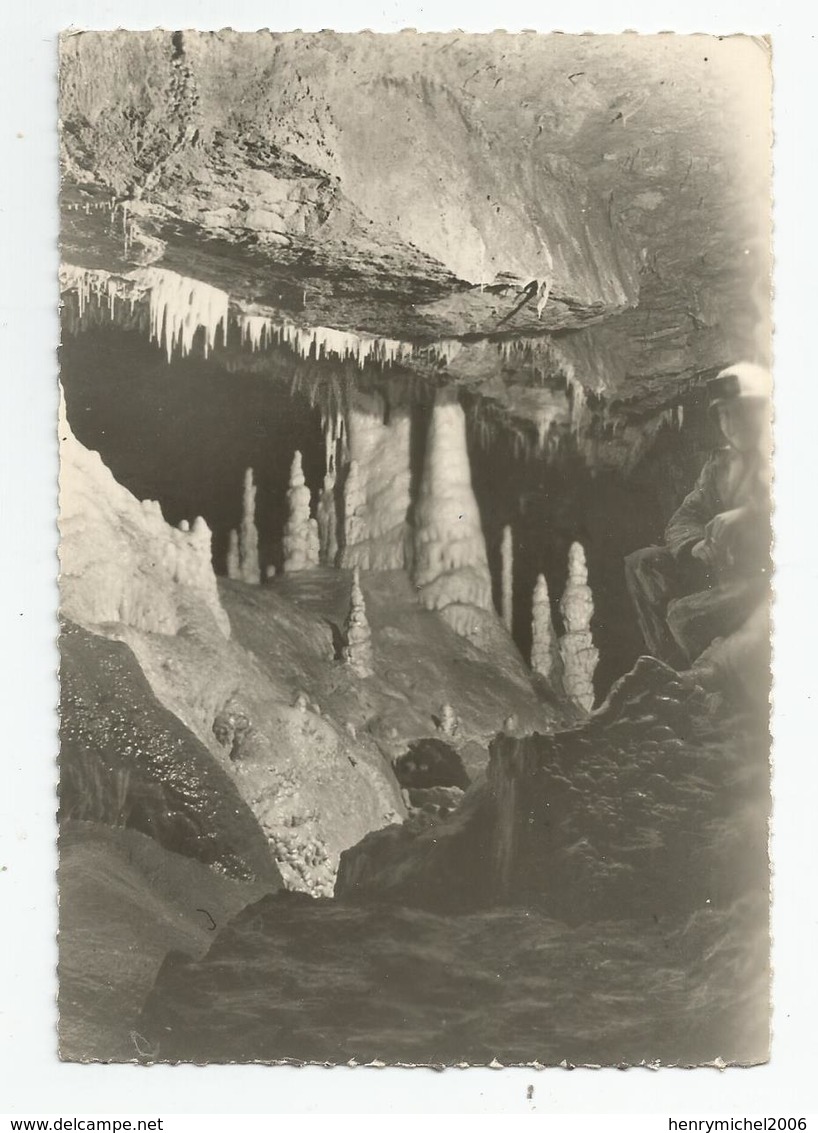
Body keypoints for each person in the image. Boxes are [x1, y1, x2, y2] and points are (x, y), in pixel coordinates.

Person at [624, 362, 771, 674]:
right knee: (642, 563)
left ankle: (709, 688)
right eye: (722, 414)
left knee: (684, 616)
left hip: (769, 585)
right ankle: (667, 670)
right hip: (725, 573)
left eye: (738, 411)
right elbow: (683, 517)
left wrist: (750, 515)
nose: (729, 423)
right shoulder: (720, 465)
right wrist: (695, 544)